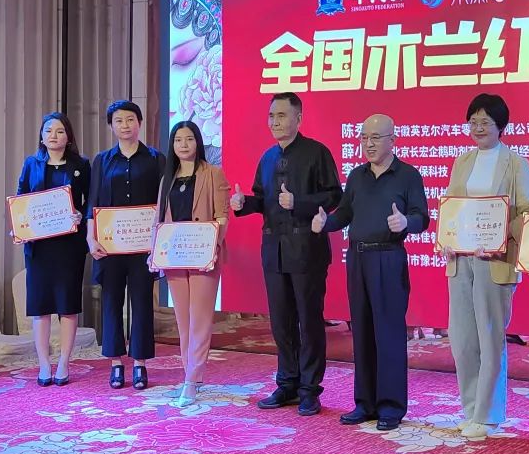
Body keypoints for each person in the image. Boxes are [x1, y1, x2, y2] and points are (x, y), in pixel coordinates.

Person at [312, 114, 428, 431]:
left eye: (375, 137)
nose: (369, 144)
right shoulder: (357, 176)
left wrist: (405, 223)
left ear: (393, 140)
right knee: (362, 331)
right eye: (364, 137)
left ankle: (391, 406)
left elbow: (422, 217)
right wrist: (326, 223)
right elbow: (345, 213)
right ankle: (364, 402)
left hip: (388, 257)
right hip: (358, 258)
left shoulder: (408, 175)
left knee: (388, 333)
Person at [230, 92, 342, 416]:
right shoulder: (267, 158)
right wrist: (243, 204)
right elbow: (262, 198)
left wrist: (300, 203)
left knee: (309, 321)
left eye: (281, 115)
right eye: (271, 116)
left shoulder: (317, 153)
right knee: (281, 322)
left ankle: (310, 390)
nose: (275, 122)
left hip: (307, 250)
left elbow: (335, 196)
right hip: (274, 251)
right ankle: (287, 383)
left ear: (298, 118)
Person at [440, 94, 529, 438]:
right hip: (461, 259)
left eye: (485, 122)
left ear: (501, 126)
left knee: (490, 336)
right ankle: (470, 410)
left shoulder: (516, 163)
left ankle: (489, 415)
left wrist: (497, 237)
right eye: (473, 122)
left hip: (494, 260)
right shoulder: (462, 161)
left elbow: (527, 212)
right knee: (462, 338)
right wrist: (447, 237)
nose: (478, 128)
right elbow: (452, 207)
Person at [87, 100, 166, 391]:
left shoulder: (156, 159)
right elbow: (93, 202)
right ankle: (116, 363)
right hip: (110, 247)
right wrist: (90, 238)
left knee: (142, 302)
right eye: (119, 120)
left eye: (130, 119)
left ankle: (140, 363)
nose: (125, 125)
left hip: (144, 246)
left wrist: (161, 241)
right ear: (111, 126)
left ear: (140, 123)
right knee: (111, 302)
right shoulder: (102, 161)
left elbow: (163, 202)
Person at [155, 120, 230, 408]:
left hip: (203, 256)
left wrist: (211, 246)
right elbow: (159, 220)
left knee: (199, 319)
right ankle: (191, 375)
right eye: (178, 140)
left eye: (189, 139)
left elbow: (222, 217)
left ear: (198, 142)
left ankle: (191, 379)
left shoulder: (212, 173)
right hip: (175, 256)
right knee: (183, 320)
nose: (183, 144)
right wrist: (155, 252)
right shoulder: (167, 178)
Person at [15, 113, 90, 387]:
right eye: (48, 131)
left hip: (69, 246)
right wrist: (19, 227)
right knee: (41, 306)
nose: (53, 136)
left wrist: (81, 215)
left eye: (59, 131)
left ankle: (64, 362)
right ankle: (44, 363)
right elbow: (21, 198)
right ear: (42, 135)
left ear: (68, 136)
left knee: (67, 305)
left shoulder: (81, 165)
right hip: (39, 247)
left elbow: (90, 201)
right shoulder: (31, 163)